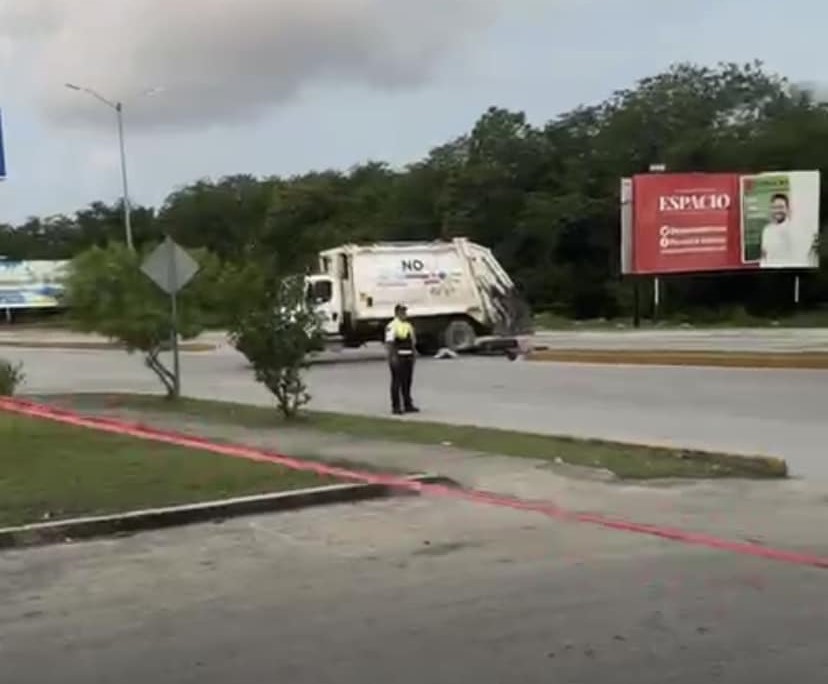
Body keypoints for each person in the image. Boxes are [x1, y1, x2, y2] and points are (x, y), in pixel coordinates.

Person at [760, 192, 818, 268]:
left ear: (787, 208)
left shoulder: (796, 229)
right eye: (774, 207)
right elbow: (764, 255)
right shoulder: (767, 231)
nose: (777, 211)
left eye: (781, 207)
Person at [385, 304, 419, 415]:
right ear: (397, 313)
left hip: (408, 356)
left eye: (405, 312)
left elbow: (413, 342)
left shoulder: (408, 325)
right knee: (397, 382)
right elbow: (390, 343)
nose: (404, 314)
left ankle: (408, 404)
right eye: (402, 312)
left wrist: (414, 355)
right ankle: (396, 406)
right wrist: (392, 357)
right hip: (397, 357)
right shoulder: (392, 326)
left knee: (407, 382)